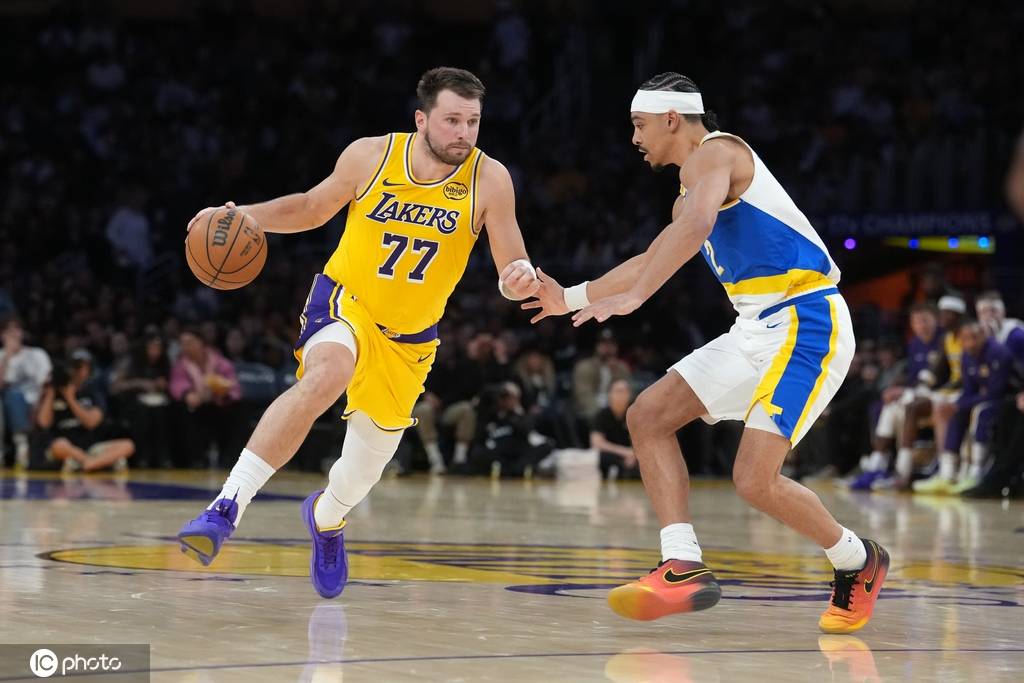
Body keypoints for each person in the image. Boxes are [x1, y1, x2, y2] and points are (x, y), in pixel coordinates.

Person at [524, 73, 887, 634]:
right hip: (755, 327)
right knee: (648, 415)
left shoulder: (719, 152)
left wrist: (635, 299)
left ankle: (857, 560)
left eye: (639, 125)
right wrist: (570, 296)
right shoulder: (689, 192)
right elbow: (654, 254)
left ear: (672, 119)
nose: (634, 138)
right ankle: (682, 564)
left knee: (754, 481)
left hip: (806, 320)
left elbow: (694, 230)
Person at [177, 67, 540, 599]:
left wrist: (519, 278)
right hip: (346, 301)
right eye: (452, 120)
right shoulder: (372, 156)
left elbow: (511, 263)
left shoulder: (491, 179)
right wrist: (241, 215)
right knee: (325, 376)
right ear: (421, 120)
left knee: (360, 474)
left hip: (410, 340)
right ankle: (224, 508)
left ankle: (326, 519)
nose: (464, 133)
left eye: (473, 121)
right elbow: (310, 208)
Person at [913, 321, 1012, 495]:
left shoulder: (998, 352)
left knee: (980, 412)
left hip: (1008, 400)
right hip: (983, 399)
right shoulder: (967, 355)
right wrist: (958, 405)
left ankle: (976, 473)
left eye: (974, 338)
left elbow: (996, 392)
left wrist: (964, 403)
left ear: (984, 336)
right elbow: (969, 390)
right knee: (955, 412)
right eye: (965, 339)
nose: (970, 343)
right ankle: (947, 473)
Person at [33, 350, 135, 472]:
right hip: (65, 446)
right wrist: (50, 393)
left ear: (89, 370)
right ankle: (95, 463)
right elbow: (44, 423)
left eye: (82, 367)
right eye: (75, 366)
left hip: (90, 447)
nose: (78, 371)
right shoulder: (54, 392)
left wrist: (71, 399)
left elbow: (91, 423)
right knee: (59, 445)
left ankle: (87, 463)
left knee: (128, 445)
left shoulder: (92, 392)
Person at [168, 328, 244, 468]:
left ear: (201, 342)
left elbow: (233, 384)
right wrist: (187, 393)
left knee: (238, 410)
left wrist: (224, 390)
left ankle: (229, 459)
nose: (185, 347)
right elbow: (177, 384)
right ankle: (196, 460)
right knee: (182, 411)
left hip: (218, 403)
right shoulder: (181, 365)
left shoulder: (219, 361)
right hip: (195, 406)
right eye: (182, 343)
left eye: (189, 342)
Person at [0, 317, 52, 469]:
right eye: (9, 331)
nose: (13, 334)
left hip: (38, 403)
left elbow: (46, 384)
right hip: (9, 407)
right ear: (2, 335)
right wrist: (7, 356)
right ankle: (19, 445)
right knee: (13, 395)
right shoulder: (1, 356)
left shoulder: (37, 354)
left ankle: (22, 447)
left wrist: (37, 406)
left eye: (17, 329)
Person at [591, 379, 639, 479]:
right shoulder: (602, 415)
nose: (622, 395)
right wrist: (625, 452)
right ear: (610, 394)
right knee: (602, 457)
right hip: (615, 454)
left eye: (625, 391)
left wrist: (634, 454)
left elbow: (644, 439)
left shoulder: (635, 413)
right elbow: (596, 443)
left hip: (635, 454)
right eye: (618, 391)